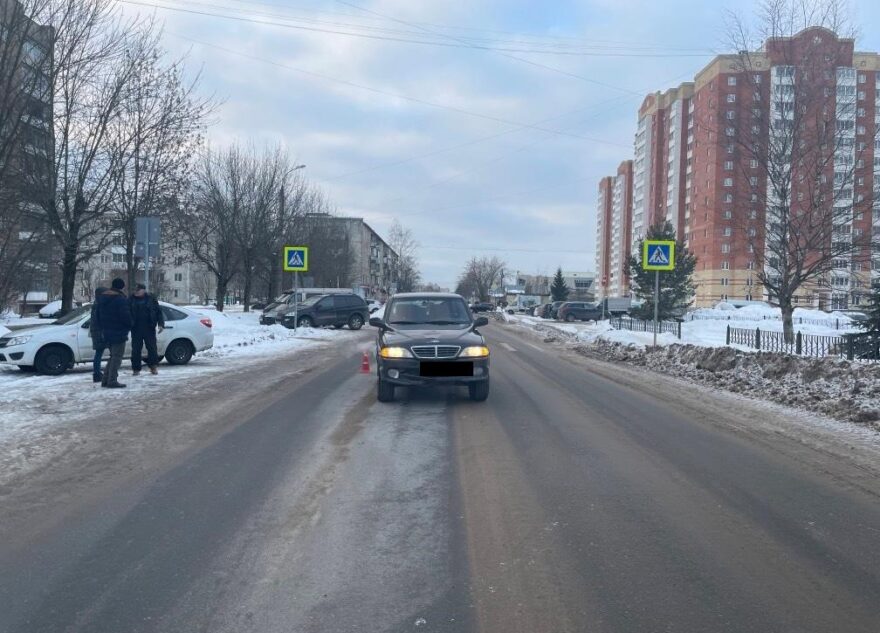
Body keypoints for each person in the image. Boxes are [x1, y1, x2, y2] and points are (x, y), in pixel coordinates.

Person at [96, 278, 131, 388]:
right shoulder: (120, 299)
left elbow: (97, 316)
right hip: (118, 332)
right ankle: (112, 380)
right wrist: (131, 324)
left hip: (106, 332)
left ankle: (105, 380)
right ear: (122, 287)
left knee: (112, 357)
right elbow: (125, 316)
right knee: (116, 358)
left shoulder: (102, 298)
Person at [129, 283, 164, 376]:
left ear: (143, 290)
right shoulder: (130, 299)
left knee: (152, 348)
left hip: (149, 327)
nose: (136, 292)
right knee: (136, 349)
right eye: (135, 290)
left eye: (138, 290)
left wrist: (161, 324)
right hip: (136, 328)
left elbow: (159, 312)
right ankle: (136, 369)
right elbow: (126, 313)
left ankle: (153, 367)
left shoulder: (151, 299)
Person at [89, 287, 107, 383]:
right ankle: (97, 374)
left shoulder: (96, 303)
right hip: (99, 332)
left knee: (98, 353)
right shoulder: (100, 305)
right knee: (99, 353)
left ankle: (97, 373)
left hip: (96, 331)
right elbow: (101, 320)